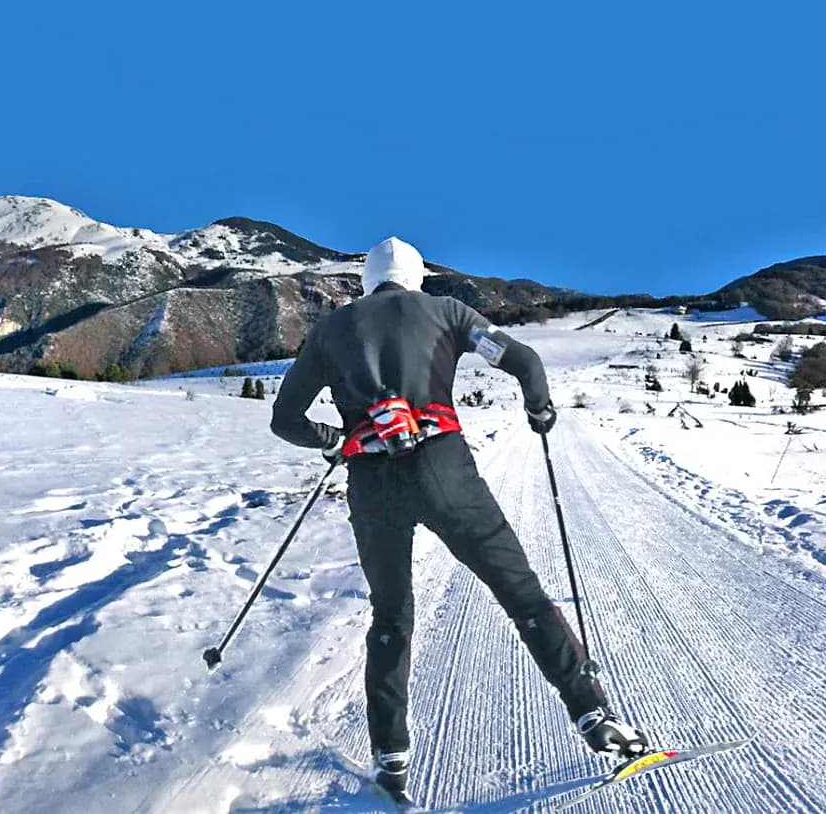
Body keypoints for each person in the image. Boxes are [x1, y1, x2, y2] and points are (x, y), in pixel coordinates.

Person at [269, 237, 649, 803]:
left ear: (369, 280)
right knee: (521, 594)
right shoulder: (447, 311)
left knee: (391, 618)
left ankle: (390, 759)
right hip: (445, 471)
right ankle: (596, 718)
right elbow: (524, 360)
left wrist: (337, 439)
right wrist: (539, 408)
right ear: (417, 277)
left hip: (372, 485)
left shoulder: (330, 330)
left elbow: (284, 419)